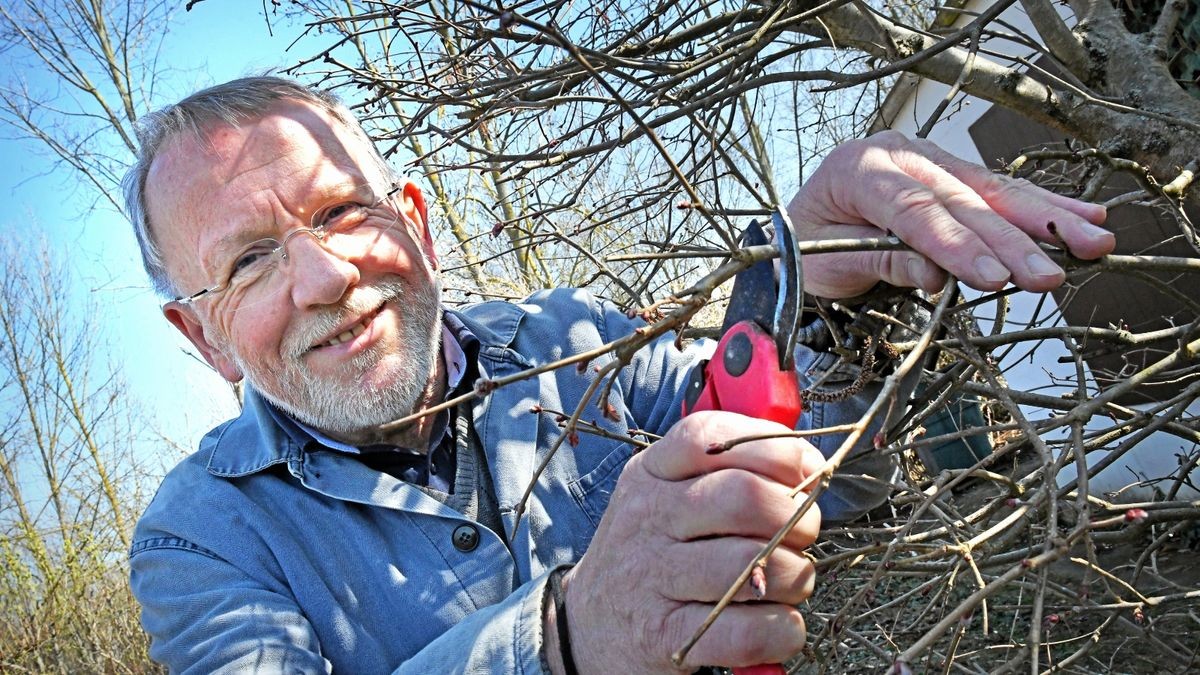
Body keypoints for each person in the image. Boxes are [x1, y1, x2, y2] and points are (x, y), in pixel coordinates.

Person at [124, 76, 1114, 673]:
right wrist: (565, 640)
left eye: (341, 211)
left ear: (417, 227)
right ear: (202, 336)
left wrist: (812, 296)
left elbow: (822, 475)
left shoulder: (572, 341)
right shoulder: (197, 536)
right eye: (249, 260)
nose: (326, 276)